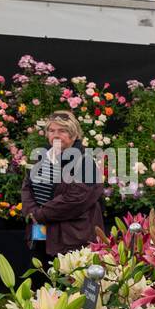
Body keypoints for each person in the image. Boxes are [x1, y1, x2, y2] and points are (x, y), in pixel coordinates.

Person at [20, 111, 106, 264]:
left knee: (76, 282)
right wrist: (31, 212)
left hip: (73, 238)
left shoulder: (85, 162)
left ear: (73, 135)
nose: (56, 135)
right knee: (44, 280)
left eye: (62, 131)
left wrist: (39, 214)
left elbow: (74, 200)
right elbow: (27, 186)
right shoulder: (42, 156)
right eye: (52, 131)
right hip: (42, 232)